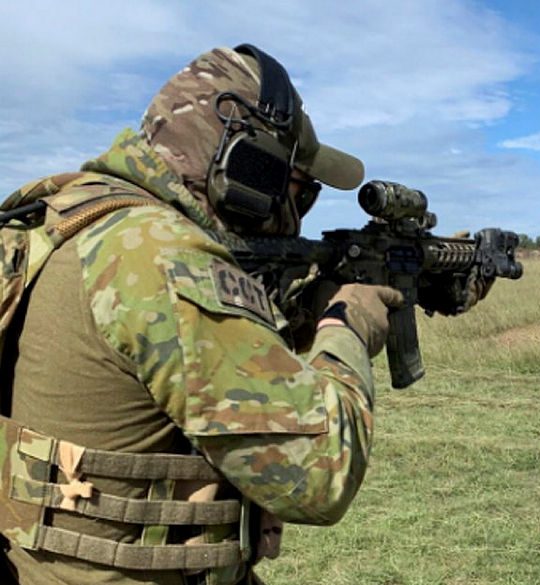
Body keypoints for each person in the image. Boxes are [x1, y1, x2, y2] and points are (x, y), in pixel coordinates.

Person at [0, 44, 428, 585]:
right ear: (250, 172)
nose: (299, 213)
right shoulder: (161, 257)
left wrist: (303, 313)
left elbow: (173, 361)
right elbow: (318, 476)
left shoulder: (79, 219)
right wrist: (346, 327)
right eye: (301, 190)